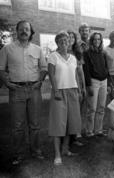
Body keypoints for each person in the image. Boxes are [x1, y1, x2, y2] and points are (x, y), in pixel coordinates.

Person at [0, 20, 47, 165]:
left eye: (27, 29)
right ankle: (19, 154)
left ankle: (36, 151)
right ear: (17, 31)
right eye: (21, 29)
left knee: (35, 124)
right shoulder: (7, 49)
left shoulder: (38, 49)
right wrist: (7, 83)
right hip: (16, 90)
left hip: (34, 89)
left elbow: (44, 67)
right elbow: (1, 69)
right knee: (18, 125)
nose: (24, 31)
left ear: (30, 31)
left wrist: (40, 82)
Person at [48, 31, 81, 165]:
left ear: (69, 43)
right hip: (59, 91)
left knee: (70, 122)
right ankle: (57, 155)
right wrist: (55, 90)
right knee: (58, 123)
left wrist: (78, 89)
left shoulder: (73, 58)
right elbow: (51, 75)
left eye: (66, 41)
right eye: (61, 41)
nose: (64, 43)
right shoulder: (53, 56)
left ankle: (65, 149)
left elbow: (76, 75)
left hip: (72, 91)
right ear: (57, 43)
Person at [83, 32, 109, 137]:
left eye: (99, 39)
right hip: (93, 81)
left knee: (102, 107)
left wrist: (108, 82)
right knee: (92, 108)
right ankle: (89, 130)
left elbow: (106, 67)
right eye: (95, 39)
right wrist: (88, 85)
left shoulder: (103, 53)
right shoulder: (87, 53)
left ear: (101, 41)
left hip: (104, 81)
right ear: (91, 41)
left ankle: (98, 130)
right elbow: (86, 70)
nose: (97, 41)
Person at [67, 30, 86, 146]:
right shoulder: (59, 53)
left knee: (76, 113)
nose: (70, 39)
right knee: (67, 113)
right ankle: (65, 138)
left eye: (72, 38)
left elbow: (81, 71)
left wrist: (83, 87)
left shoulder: (77, 53)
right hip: (66, 86)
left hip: (77, 85)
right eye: (68, 37)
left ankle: (73, 138)